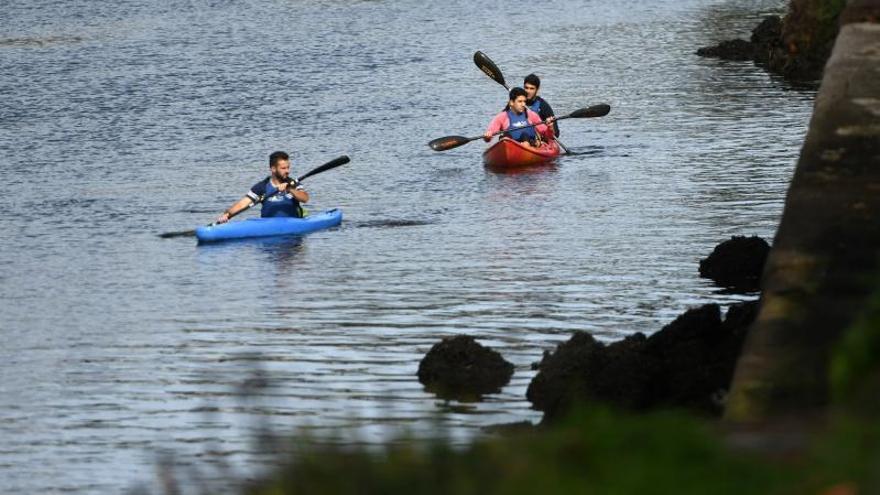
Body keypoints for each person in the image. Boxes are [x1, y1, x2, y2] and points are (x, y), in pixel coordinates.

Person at [216, 151, 309, 224]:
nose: (287, 171)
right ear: (273, 169)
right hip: (268, 227)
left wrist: (290, 189)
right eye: (283, 168)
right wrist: (227, 215)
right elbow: (242, 204)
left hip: (292, 227)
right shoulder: (262, 187)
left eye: (288, 167)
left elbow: (305, 198)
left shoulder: (293, 183)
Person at [483, 87, 555, 148]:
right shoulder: (502, 117)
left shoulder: (531, 115)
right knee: (505, 138)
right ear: (511, 102)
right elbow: (489, 136)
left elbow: (548, 136)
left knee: (525, 136)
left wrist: (550, 127)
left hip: (529, 145)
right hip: (510, 146)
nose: (523, 104)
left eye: (524, 101)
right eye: (520, 101)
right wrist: (487, 136)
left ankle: (526, 145)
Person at [523, 73, 559, 137]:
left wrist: (550, 126)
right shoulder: (516, 103)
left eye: (532, 88)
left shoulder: (544, 106)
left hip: (538, 139)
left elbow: (556, 134)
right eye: (526, 88)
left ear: (537, 89)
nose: (528, 91)